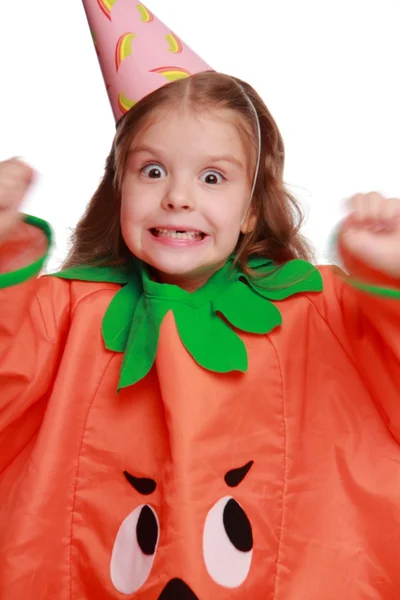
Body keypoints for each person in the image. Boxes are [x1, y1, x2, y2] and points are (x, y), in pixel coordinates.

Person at [1, 2, 400, 599]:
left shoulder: (324, 312)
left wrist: (388, 274)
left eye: (212, 177)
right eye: (153, 171)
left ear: (252, 209)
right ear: (119, 189)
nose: (178, 198)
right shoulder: (64, 315)